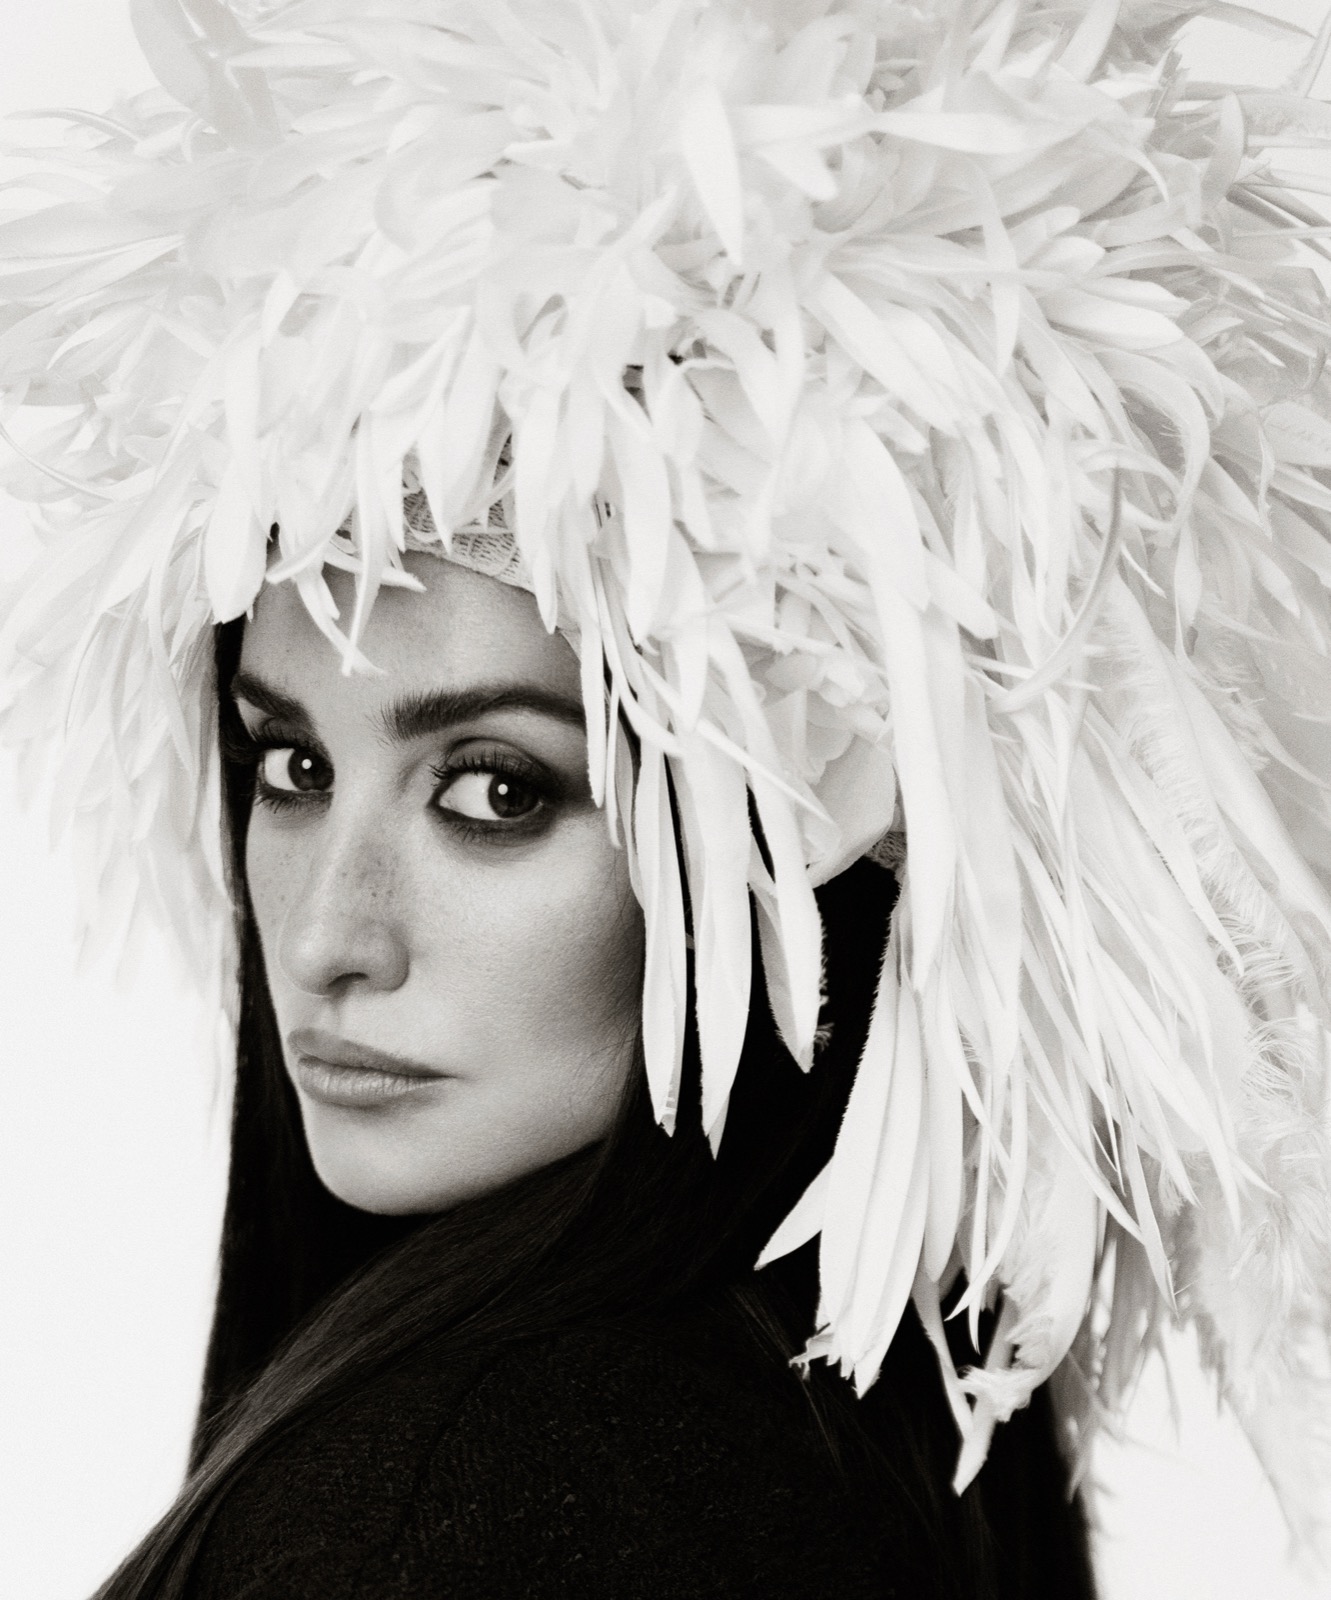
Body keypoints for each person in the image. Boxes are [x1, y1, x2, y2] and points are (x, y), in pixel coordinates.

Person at [2, 0, 1330, 1593]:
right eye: (293, 768)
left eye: (495, 791)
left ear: (805, 849)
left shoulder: (461, 1498)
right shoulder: (836, 1435)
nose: (327, 942)